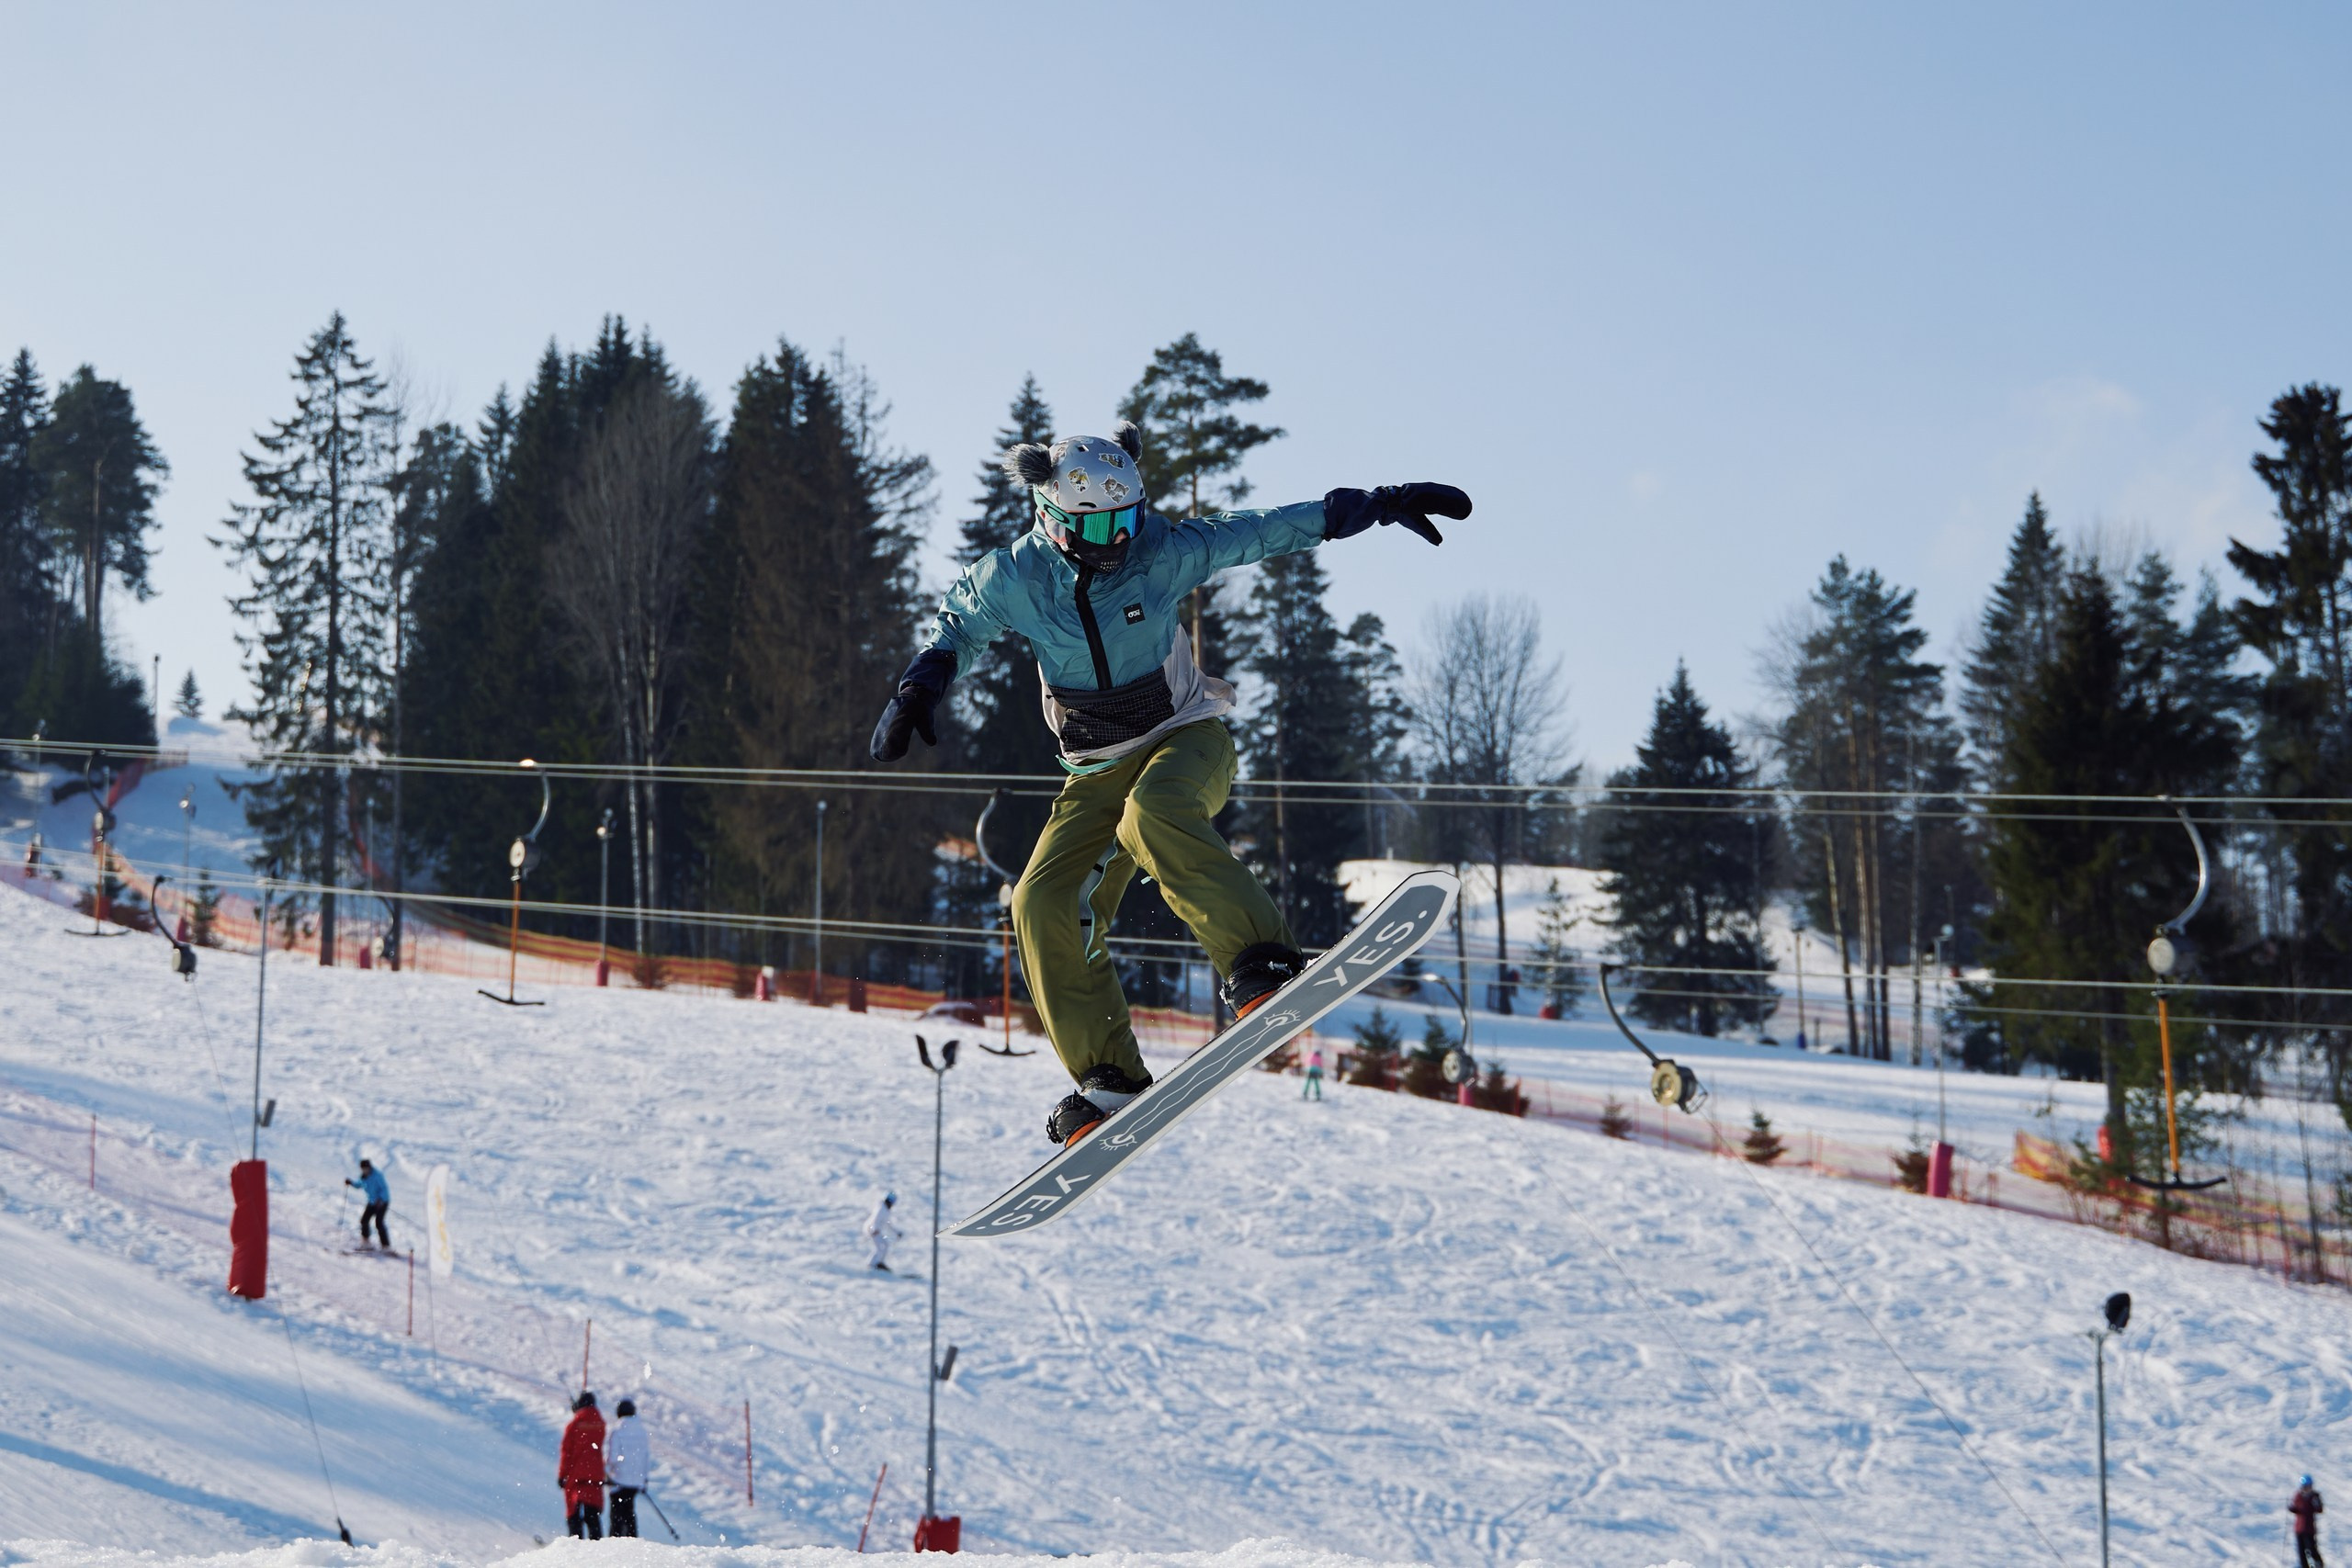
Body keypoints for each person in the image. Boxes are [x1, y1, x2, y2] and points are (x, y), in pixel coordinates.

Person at [873, 421, 1469, 1145]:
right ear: (1055, 519)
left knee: (1151, 813)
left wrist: (1377, 503)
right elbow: (957, 625)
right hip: (1093, 774)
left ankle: (1261, 957)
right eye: (1105, 525)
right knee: (1040, 900)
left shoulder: (1161, 551)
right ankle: (1109, 1075)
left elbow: (1261, 531)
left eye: (1131, 517)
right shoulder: (1016, 576)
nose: (1123, 538)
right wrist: (919, 689)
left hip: (1187, 739)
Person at [559, 1391, 605, 1539]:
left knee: (574, 1512)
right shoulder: (600, 1424)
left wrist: (562, 1475)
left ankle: (576, 1543)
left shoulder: (574, 1425)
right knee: (592, 1514)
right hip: (595, 1473)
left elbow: (566, 1452)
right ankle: (597, 1544)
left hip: (577, 1474)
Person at [605, 1397, 649, 1539]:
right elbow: (645, 1457)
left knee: (616, 1518)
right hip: (635, 1481)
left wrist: (607, 1471)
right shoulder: (642, 1431)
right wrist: (643, 1479)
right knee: (629, 1514)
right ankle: (632, 1542)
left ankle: (615, 1544)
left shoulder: (617, 1430)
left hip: (619, 1480)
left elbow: (612, 1458)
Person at [344, 1158, 390, 1249]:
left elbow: (384, 1189)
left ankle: (385, 1246)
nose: (365, 1170)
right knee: (364, 1221)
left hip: (382, 1202)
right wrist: (351, 1183)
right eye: (363, 1169)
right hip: (372, 1202)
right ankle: (366, 1242)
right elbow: (358, 1185)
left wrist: (380, 1200)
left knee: (379, 1223)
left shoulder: (377, 1176)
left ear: (370, 1167)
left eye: (367, 1168)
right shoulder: (363, 1177)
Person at [2294, 1475, 2324, 1567]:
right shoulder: (2298, 1496)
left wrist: (2317, 1503)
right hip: (2299, 1528)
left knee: (2311, 1548)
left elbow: (2319, 1509)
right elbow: (2295, 1506)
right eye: (2304, 1486)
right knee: (2301, 1551)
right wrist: (2292, 1509)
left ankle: (2318, 1564)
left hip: (2309, 1528)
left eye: (2308, 1486)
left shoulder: (2314, 1496)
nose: (2306, 1488)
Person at [864, 1192, 899, 1272]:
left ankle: (878, 1262)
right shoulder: (881, 1209)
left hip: (875, 1230)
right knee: (880, 1247)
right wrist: (874, 1229)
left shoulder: (886, 1210)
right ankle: (872, 1264)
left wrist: (896, 1233)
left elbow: (888, 1224)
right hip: (872, 1230)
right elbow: (875, 1219)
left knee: (884, 1245)